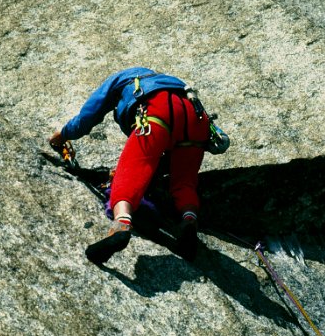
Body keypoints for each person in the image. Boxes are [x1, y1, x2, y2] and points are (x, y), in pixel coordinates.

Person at [49, 67, 210, 264]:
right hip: (197, 119)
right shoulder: (172, 82)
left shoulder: (121, 78)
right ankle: (188, 219)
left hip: (156, 110)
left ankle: (121, 225)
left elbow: (88, 116)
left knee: (130, 172)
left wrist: (63, 134)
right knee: (184, 182)